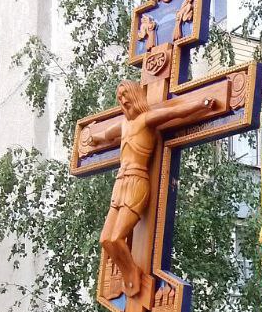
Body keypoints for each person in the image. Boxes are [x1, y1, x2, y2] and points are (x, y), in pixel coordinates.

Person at [80, 80, 222, 296]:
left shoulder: (146, 119)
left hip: (137, 181)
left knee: (117, 237)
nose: (122, 100)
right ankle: (129, 271)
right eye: (119, 97)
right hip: (120, 183)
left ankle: (131, 274)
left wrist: (201, 104)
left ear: (135, 96)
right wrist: (91, 139)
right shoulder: (123, 125)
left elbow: (176, 113)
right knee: (105, 240)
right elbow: (103, 136)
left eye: (125, 95)